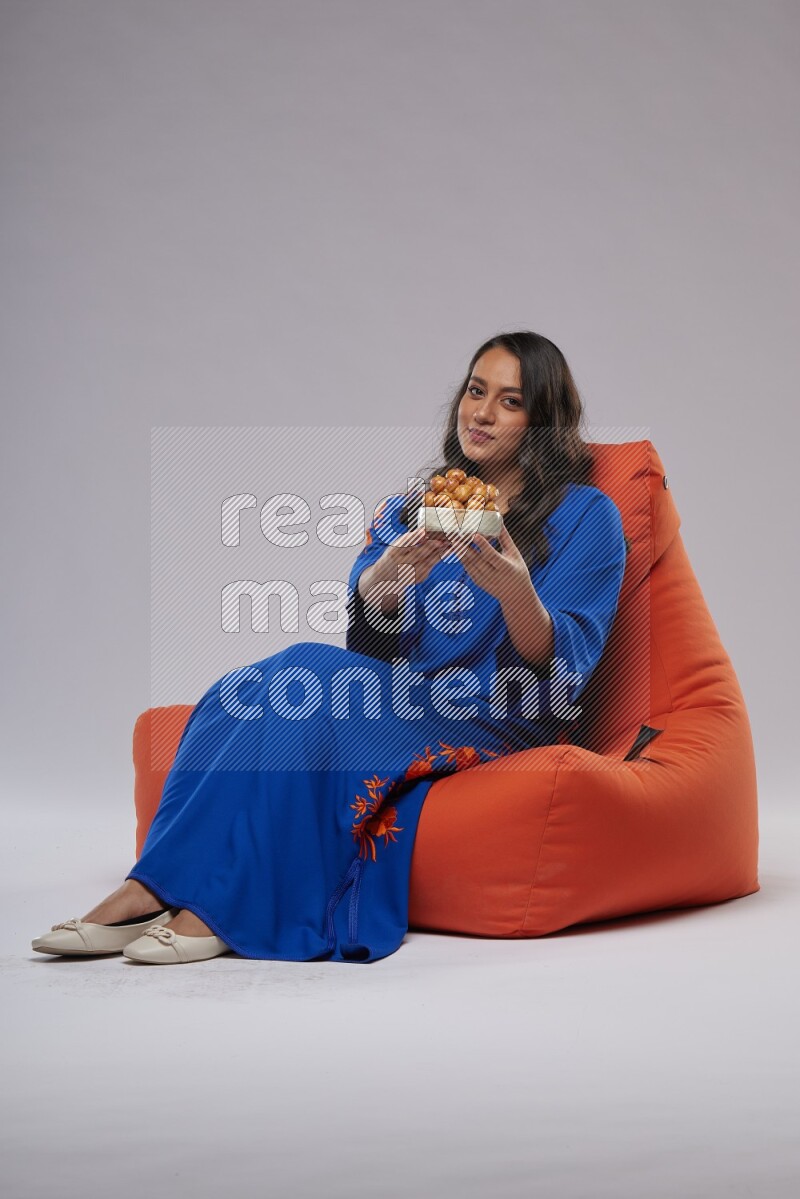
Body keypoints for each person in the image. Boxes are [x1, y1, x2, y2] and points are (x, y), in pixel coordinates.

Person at [31, 331, 627, 965]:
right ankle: (148, 887)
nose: (481, 413)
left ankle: (225, 908)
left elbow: (564, 667)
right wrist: (388, 579)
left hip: (499, 712)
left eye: (510, 401)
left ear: (543, 420)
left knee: (309, 673)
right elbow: (368, 638)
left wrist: (515, 592)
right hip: (408, 692)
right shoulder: (417, 506)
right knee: (247, 688)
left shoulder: (587, 515)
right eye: (475, 391)